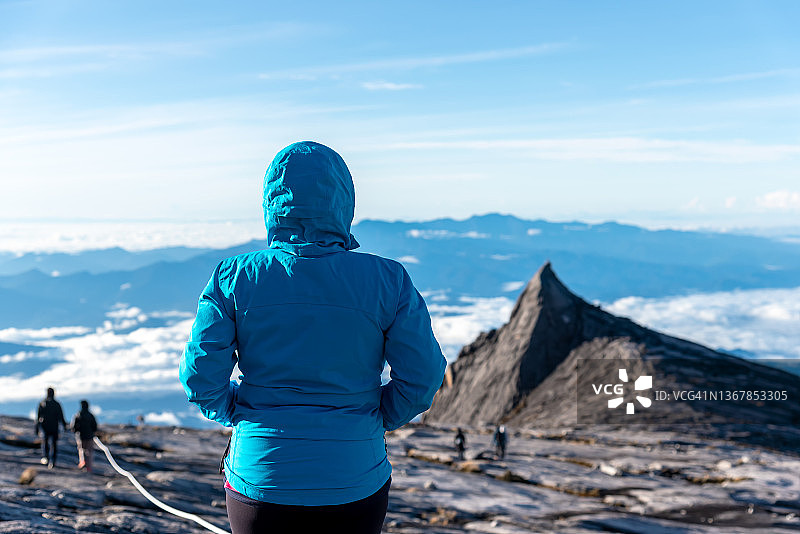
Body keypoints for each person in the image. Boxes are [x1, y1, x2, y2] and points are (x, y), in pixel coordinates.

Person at [179, 141, 446, 534]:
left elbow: (200, 377)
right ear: (344, 200)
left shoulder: (235, 277)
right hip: (355, 477)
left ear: (272, 200)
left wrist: (239, 412)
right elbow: (423, 377)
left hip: (261, 480)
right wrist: (375, 417)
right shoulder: (388, 280)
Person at [34, 387, 68, 469]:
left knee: (46, 442)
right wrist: (64, 425)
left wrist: (37, 427)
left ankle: (47, 458)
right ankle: (52, 460)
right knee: (53, 443)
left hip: (46, 426)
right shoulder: (56, 404)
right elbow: (61, 416)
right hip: (52, 426)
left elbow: (38, 416)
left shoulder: (43, 403)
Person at [71, 400, 98, 473]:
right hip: (89, 436)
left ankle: (82, 462)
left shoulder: (78, 415)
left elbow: (73, 427)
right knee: (89, 452)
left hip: (80, 436)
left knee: (81, 449)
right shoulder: (91, 415)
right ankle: (89, 466)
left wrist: (76, 431)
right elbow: (95, 426)